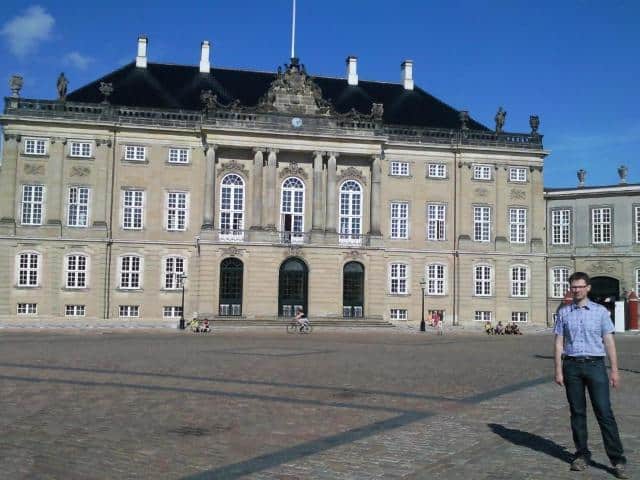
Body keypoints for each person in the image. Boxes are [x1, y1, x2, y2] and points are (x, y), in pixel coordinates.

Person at [554, 272, 628, 478]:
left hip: (596, 365)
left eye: (579, 286)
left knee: (604, 412)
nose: (576, 290)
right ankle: (581, 454)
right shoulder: (564, 313)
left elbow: (609, 341)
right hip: (572, 366)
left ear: (588, 288)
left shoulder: (600, 312)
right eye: (573, 287)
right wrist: (558, 369)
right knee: (577, 413)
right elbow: (559, 342)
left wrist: (614, 370)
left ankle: (617, 459)